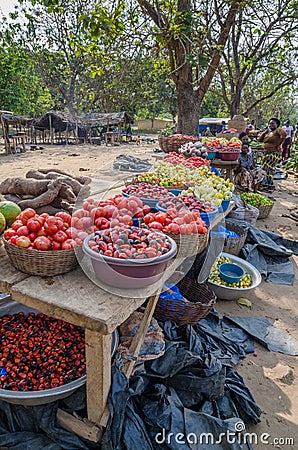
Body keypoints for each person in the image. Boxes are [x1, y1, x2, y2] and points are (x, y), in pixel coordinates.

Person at [258, 118, 287, 191]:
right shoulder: (268, 132)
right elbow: (259, 140)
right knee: (265, 168)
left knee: (268, 169)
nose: (271, 125)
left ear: (277, 124)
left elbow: (284, 135)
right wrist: (264, 132)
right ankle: (267, 184)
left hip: (273, 153)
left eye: (273, 123)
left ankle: (268, 184)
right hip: (266, 153)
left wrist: (279, 144)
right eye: (270, 123)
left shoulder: (278, 130)